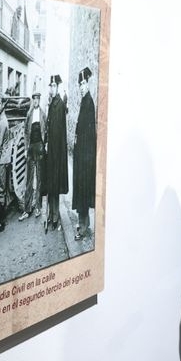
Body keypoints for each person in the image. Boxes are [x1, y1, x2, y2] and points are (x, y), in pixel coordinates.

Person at [72, 66, 96, 239]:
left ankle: (83, 227)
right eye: (79, 84)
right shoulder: (83, 101)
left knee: (83, 191)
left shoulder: (89, 103)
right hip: (81, 156)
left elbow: (90, 135)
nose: (81, 87)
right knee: (80, 191)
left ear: (87, 84)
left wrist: (86, 158)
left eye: (83, 83)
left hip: (85, 158)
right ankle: (82, 222)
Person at [42, 73, 68, 232]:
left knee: (55, 187)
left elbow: (58, 133)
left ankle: (55, 218)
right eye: (50, 86)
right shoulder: (52, 103)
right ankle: (51, 216)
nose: (50, 88)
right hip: (50, 152)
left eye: (53, 86)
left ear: (57, 87)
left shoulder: (58, 105)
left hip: (56, 154)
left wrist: (54, 151)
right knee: (51, 187)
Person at [0, 96, 20, 233]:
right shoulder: (1, 120)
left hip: (2, 161)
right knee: (1, 190)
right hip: (4, 159)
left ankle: (1, 224)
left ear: (3, 105)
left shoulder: (2, 123)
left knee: (1, 191)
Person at [19, 90, 45, 221]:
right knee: (29, 179)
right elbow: (25, 132)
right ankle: (27, 209)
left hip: (39, 148)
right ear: (32, 100)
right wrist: (25, 149)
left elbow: (46, 131)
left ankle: (38, 207)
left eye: (37, 99)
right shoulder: (29, 114)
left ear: (39, 100)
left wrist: (44, 145)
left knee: (39, 178)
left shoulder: (42, 114)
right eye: (34, 99)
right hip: (30, 149)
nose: (35, 101)